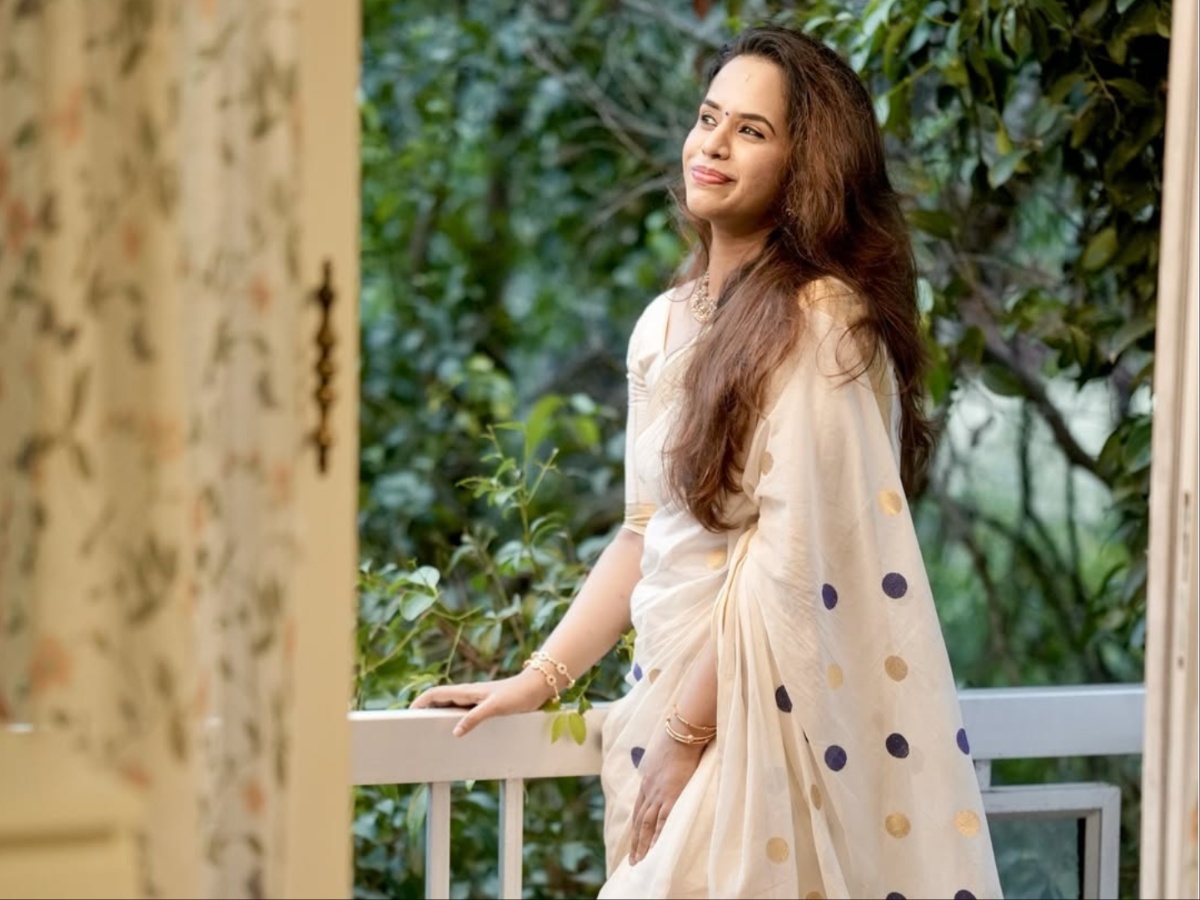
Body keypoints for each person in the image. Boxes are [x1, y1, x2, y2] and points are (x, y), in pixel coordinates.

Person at [412, 25, 1003, 900]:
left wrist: (687, 740)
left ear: (806, 168)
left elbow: (795, 557)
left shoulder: (821, 320)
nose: (713, 145)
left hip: (765, 723)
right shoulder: (664, 324)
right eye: (707, 118)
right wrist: (535, 680)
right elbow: (641, 537)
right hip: (668, 710)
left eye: (751, 131)